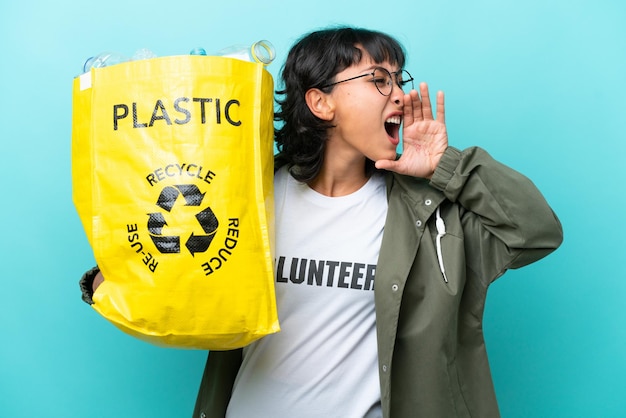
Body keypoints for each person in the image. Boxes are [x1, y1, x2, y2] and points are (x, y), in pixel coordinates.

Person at [80, 26, 563, 418]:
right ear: (321, 103)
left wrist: (446, 165)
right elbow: (190, 279)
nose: (399, 95)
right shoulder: (247, 193)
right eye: (378, 79)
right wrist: (123, 279)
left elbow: (537, 232)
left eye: (399, 79)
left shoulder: (429, 214)